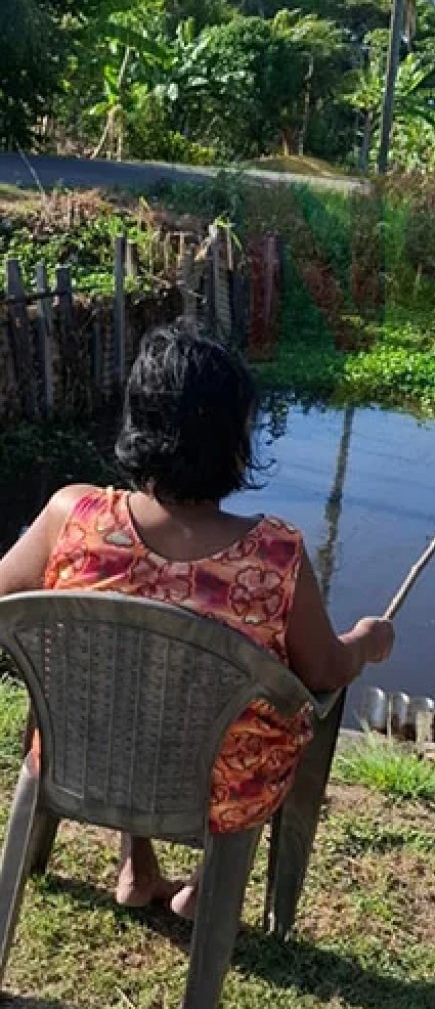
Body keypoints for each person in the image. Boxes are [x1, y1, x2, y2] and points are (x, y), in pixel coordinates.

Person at [0, 323, 394, 916]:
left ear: (137, 423)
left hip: (79, 756)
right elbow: (323, 672)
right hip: (219, 793)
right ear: (236, 441)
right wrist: (367, 640)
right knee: (236, 713)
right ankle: (208, 882)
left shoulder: (70, 515)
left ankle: (138, 864)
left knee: (132, 685)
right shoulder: (274, 554)